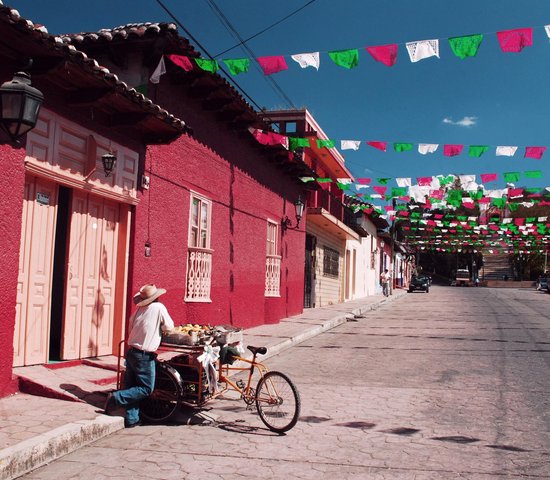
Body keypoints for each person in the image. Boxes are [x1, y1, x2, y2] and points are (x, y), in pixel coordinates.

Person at [104, 284, 174, 428]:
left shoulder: (137, 311)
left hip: (131, 352)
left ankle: (132, 419)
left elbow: (131, 329)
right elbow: (169, 326)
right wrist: (160, 330)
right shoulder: (159, 307)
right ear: (156, 297)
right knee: (146, 388)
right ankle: (116, 397)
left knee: (132, 386)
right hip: (144, 355)